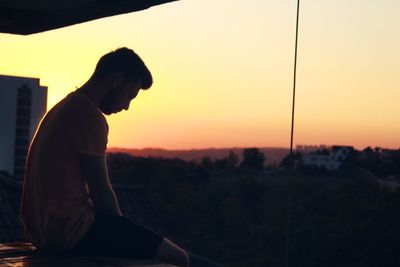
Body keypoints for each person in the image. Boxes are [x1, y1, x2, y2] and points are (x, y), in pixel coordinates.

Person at [20, 48, 190, 267]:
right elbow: (102, 195)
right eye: (130, 95)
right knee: (180, 259)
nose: (127, 106)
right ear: (117, 79)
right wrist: (121, 233)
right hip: (70, 232)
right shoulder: (89, 116)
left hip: (39, 232)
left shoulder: (62, 108)